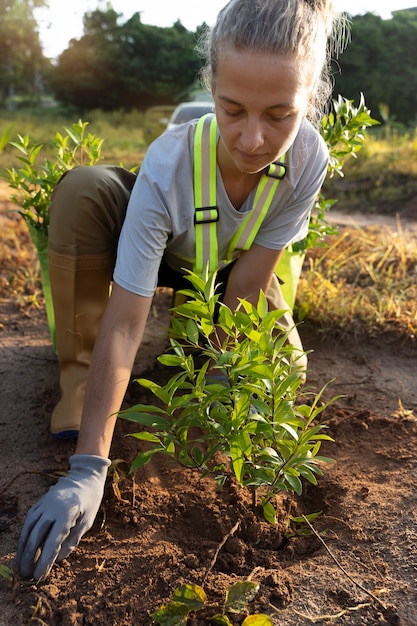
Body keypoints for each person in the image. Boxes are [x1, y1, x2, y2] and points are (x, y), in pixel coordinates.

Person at [17, 0, 347, 580]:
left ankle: (195, 365)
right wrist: (90, 466)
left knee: (283, 373)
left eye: (279, 114)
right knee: (84, 192)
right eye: (233, 109)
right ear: (211, 85)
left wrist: (212, 377)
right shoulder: (169, 164)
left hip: (225, 270)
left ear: (311, 97)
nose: (252, 138)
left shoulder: (308, 157)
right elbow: (126, 319)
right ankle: (80, 388)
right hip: (158, 253)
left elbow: (247, 284)